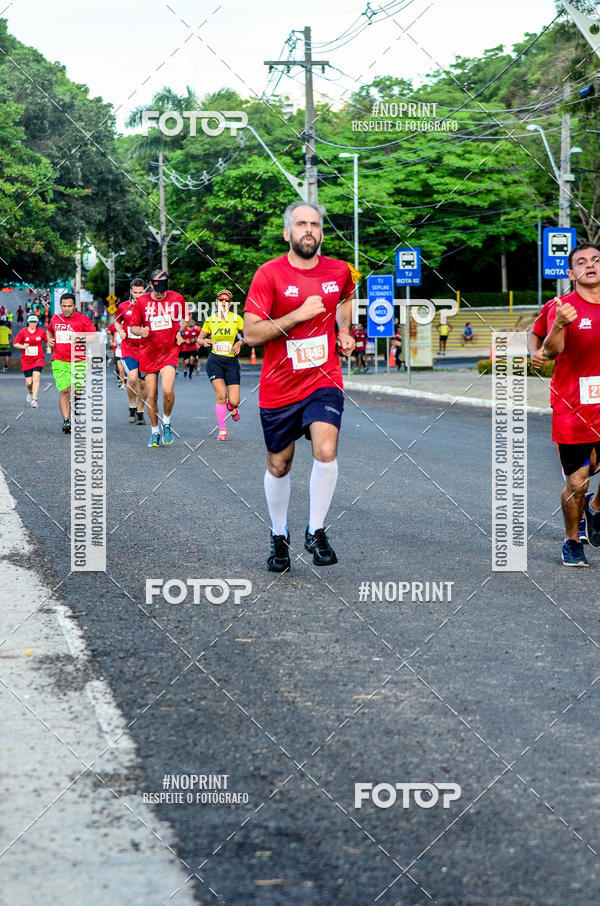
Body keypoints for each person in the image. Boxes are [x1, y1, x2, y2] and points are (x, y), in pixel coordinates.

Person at [244, 201, 356, 572]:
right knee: (280, 464)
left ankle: (316, 529)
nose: (309, 230)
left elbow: (345, 299)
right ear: (287, 232)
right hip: (279, 385)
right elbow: (252, 334)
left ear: (321, 231)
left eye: (315, 224)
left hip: (324, 377)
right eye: (301, 224)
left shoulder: (339, 271)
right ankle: (279, 536)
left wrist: (343, 330)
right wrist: (297, 315)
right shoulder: (268, 274)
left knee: (326, 447)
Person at [541, 243, 600, 566]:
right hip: (574, 407)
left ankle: (594, 509)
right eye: (581, 262)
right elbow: (550, 351)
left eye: (596, 260)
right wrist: (559, 325)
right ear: (571, 273)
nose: (590, 266)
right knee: (578, 481)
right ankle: (572, 539)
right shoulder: (562, 307)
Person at [129, 269, 190, 447]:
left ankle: (167, 422)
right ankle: (155, 431)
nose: (161, 291)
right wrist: (141, 331)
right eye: (157, 286)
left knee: (168, 390)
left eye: (164, 285)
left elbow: (187, 316)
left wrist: (180, 331)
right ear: (151, 284)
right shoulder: (142, 302)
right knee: (152, 395)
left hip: (169, 351)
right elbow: (133, 327)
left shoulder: (176, 298)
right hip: (148, 353)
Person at [198, 290, 244, 440]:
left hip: (231, 362)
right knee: (221, 395)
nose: (223, 302)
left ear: (230, 304)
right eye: (221, 300)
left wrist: (240, 341)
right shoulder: (210, 319)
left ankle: (231, 407)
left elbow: (250, 335)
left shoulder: (236, 319)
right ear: (217, 303)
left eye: (227, 300)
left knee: (234, 401)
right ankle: (222, 429)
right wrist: (203, 341)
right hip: (215, 361)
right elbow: (199, 339)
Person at [46, 292, 96, 433]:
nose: (66, 309)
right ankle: (67, 421)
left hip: (78, 360)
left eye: (69, 306)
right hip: (59, 360)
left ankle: (73, 407)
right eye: (64, 306)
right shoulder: (56, 319)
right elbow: (49, 331)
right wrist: (49, 340)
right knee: (64, 390)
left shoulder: (83, 320)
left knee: (76, 391)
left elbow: (93, 337)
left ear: (75, 306)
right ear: (60, 306)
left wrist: (81, 339)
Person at [114, 278, 148, 424]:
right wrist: (121, 330)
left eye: (141, 292)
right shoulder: (123, 306)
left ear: (145, 291)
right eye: (135, 292)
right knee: (133, 378)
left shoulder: (150, 307)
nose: (138, 295)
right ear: (131, 292)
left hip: (146, 349)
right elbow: (116, 321)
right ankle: (132, 406)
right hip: (129, 348)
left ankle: (140, 411)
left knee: (144, 383)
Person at [13, 313, 48, 407]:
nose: (32, 323)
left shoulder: (41, 332)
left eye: (34, 322)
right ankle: (30, 392)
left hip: (38, 358)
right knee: (29, 382)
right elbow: (15, 343)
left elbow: (48, 342)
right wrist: (23, 346)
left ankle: (34, 400)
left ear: (37, 322)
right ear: (28, 322)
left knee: (36, 377)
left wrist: (49, 348)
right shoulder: (23, 332)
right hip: (26, 360)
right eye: (31, 322)